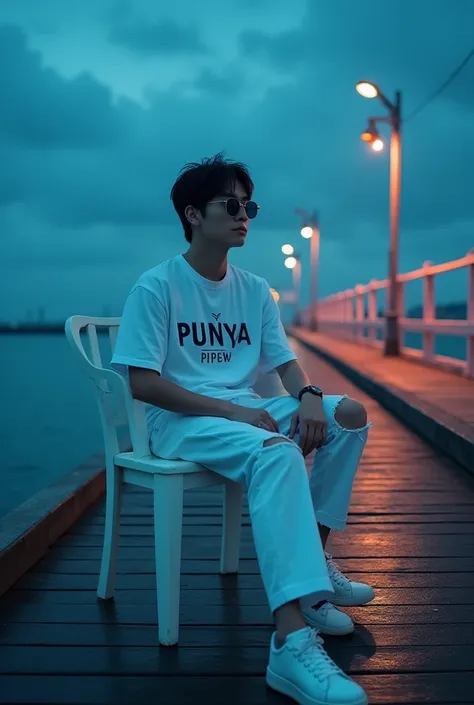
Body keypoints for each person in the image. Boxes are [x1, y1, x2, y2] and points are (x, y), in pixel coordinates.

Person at [111, 153, 373, 705]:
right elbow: (141, 383)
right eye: (230, 205)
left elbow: (284, 363)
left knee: (347, 417)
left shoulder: (254, 289)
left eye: (247, 205)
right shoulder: (156, 287)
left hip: (247, 406)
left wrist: (308, 397)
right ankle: (290, 640)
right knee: (277, 453)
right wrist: (231, 411)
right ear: (191, 214)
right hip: (179, 419)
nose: (243, 215)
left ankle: (315, 585)